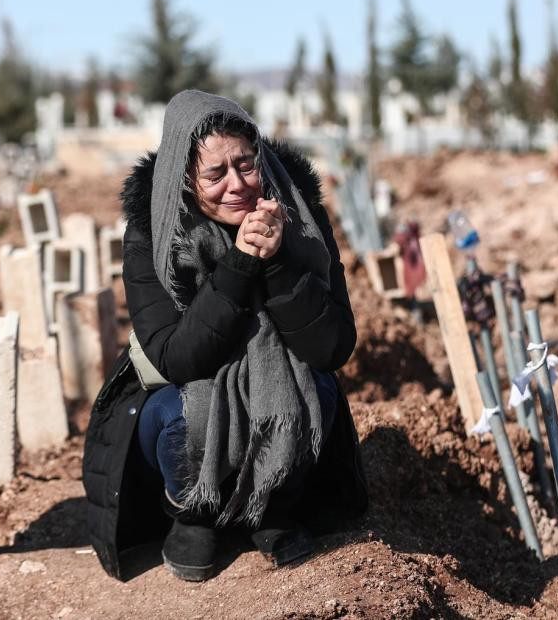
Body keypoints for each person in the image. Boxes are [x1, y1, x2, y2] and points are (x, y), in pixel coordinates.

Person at [83, 89, 368, 582]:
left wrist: (277, 264)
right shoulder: (154, 234)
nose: (237, 185)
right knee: (176, 414)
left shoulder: (299, 217)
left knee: (313, 391)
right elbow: (179, 358)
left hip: (281, 377)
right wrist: (239, 265)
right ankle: (195, 512)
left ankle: (273, 504)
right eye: (216, 175)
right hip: (190, 387)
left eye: (247, 164)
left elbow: (331, 346)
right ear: (185, 179)